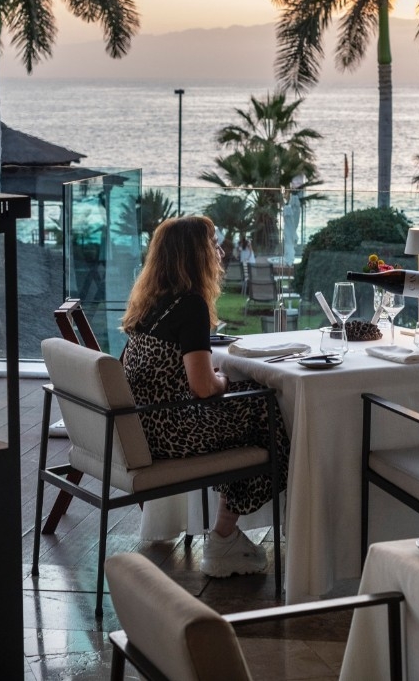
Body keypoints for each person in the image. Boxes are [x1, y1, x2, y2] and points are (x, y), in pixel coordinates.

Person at [121, 215, 290, 577]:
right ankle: (224, 537)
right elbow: (202, 388)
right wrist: (224, 380)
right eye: (213, 244)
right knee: (267, 412)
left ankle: (225, 536)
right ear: (195, 254)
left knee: (253, 408)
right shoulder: (190, 305)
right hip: (174, 432)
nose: (219, 251)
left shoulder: (150, 304)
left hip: (147, 425)